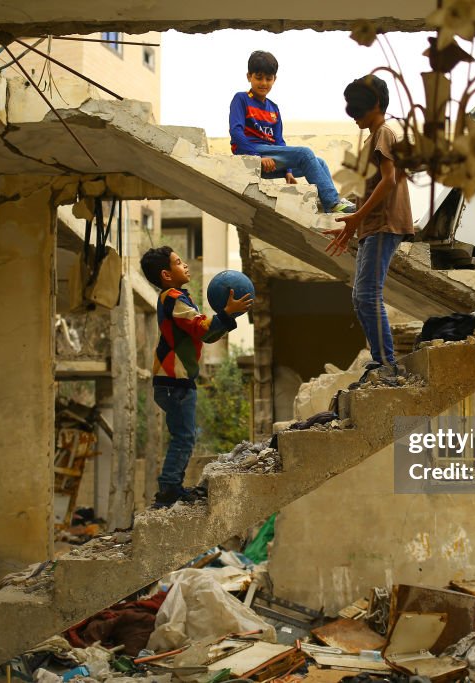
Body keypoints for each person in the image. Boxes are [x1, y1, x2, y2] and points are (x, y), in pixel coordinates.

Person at [139, 246, 254, 509]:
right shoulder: (173, 297)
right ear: (167, 275)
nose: (186, 265)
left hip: (178, 380)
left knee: (184, 435)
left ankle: (172, 488)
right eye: (179, 262)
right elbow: (200, 327)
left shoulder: (180, 298)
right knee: (183, 436)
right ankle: (168, 491)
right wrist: (226, 313)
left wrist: (228, 316)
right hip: (173, 380)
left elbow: (206, 334)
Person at [323, 75, 414, 386]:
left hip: (384, 223)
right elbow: (370, 187)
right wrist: (352, 225)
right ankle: (381, 360)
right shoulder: (372, 138)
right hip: (371, 226)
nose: (352, 111)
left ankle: (388, 365)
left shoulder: (383, 134)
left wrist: (359, 216)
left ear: (374, 103)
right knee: (361, 297)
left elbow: (388, 180)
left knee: (368, 294)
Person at [229, 50, 356, 214]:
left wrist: (288, 170)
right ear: (249, 76)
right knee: (305, 153)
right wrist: (258, 157)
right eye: (258, 77)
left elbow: (279, 142)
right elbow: (236, 132)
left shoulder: (273, 108)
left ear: (275, 79)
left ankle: (330, 209)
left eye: (268, 78)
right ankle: (333, 202)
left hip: (271, 159)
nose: (264, 83)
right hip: (249, 154)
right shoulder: (241, 99)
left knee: (320, 163)